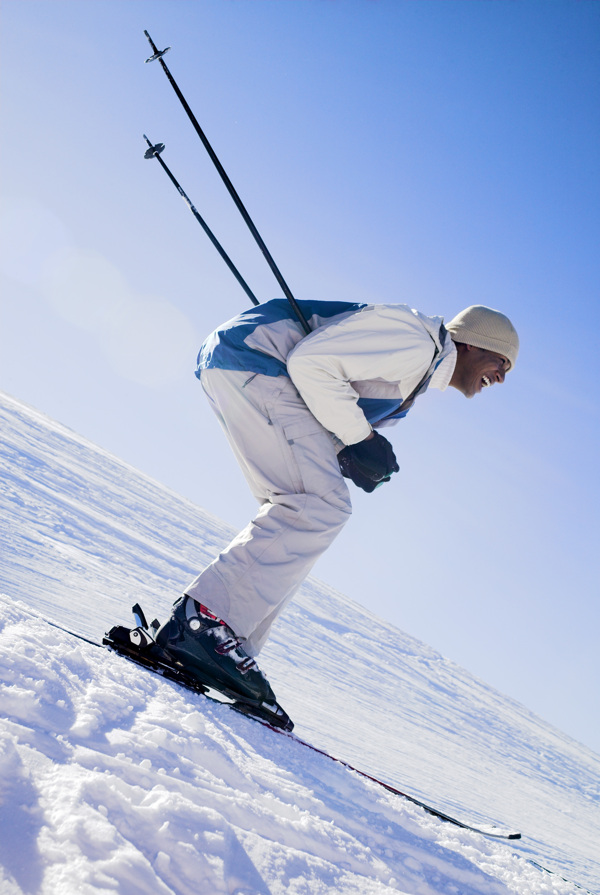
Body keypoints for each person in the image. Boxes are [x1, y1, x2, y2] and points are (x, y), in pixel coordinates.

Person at [155, 299, 519, 710]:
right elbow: (310, 364)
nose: (503, 377)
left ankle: (226, 644)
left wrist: (350, 451)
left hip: (244, 366)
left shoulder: (414, 378)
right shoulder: (416, 342)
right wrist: (361, 440)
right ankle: (205, 626)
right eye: (502, 361)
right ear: (471, 343)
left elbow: (327, 402)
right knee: (318, 506)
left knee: (300, 513)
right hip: (255, 362)